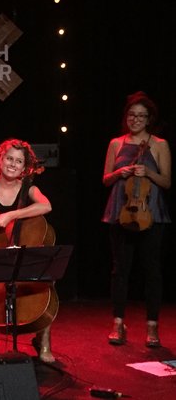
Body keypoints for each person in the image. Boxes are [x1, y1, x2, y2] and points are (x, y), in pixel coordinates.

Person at [0, 139, 55, 362]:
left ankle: (43, 341)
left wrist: (12, 214)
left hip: (23, 255)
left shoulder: (28, 188)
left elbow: (46, 206)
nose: (13, 164)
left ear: (24, 167)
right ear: (0, 159)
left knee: (46, 284)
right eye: (9, 158)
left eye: (19, 161)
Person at [102, 91, 171, 347]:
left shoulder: (159, 144)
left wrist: (149, 173)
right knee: (120, 270)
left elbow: (167, 181)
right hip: (121, 211)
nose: (136, 119)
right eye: (132, 115)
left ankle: (152, 326)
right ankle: (118, 323)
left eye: (141, 116)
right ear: (126, 117)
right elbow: (105, 179)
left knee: (152, 270)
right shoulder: (116, 143)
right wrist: (119, 172)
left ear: (149, 118)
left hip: (151, 212)